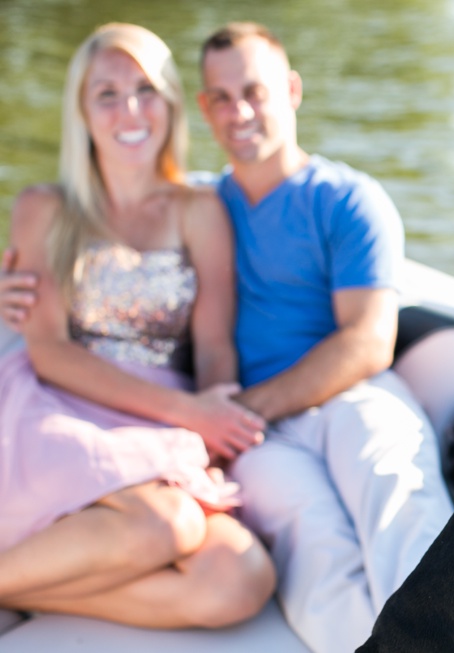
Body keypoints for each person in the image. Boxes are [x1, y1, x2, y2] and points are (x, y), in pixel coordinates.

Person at [0, 23, 275, 628]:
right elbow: (47, 350)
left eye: (146, 89)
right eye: (106, 93)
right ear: (81, 111)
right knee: (167, 524)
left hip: (164, 420)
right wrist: (191, 414)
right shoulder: (43, 208)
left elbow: (212, 348)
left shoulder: (199, 212)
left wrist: (214, 421)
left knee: (239, 578)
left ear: (172, 104)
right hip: (60, 403)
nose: (130, 109)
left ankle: (21, 582)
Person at [194, 23, 454, 651]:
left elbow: (367, 342)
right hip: (257, 432)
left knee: (398, 500)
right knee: (314, 549)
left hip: (349, 394)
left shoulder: (348, 201)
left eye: (254, 91)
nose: (240, 112)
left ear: (290, 90)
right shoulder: (196, 207)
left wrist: (236, 414)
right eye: (221, 98)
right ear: (204, 108)